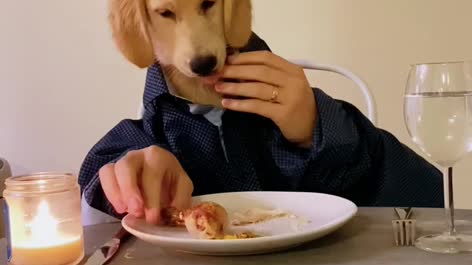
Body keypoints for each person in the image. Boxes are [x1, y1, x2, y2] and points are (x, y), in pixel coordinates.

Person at [79, 33, 443, 225]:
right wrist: (131, 178)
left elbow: (427, 196)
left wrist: (315, 128)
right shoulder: (146, 134)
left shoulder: (307, 111)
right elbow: (98, 184)